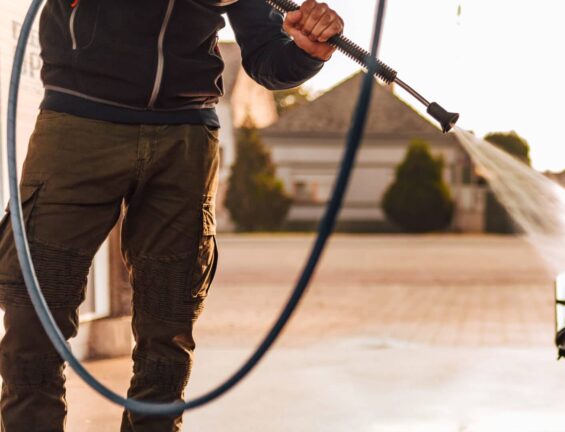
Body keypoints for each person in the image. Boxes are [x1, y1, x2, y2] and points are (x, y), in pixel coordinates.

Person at [0, 1, 343, 431]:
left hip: (186, 136)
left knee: (168, 332)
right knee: (35, 316)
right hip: (78, 123)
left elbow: (265, 60)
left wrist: (307, 52)